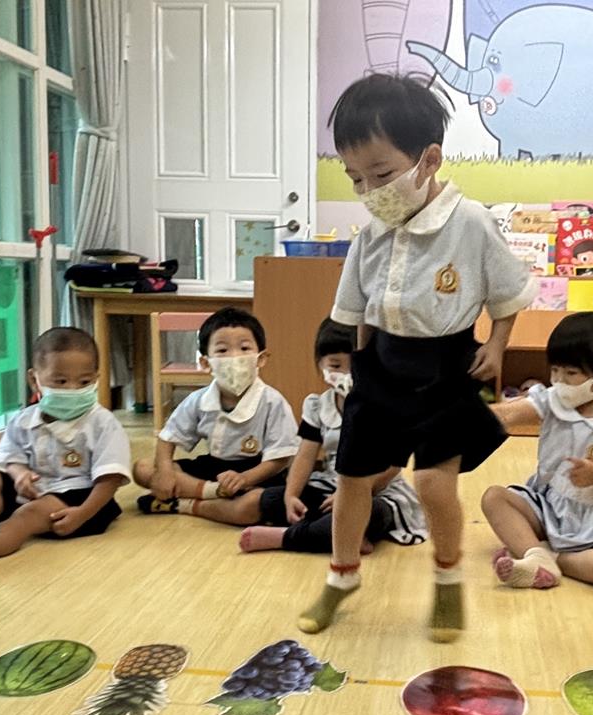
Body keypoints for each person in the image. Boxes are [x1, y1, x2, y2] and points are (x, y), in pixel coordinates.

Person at [297, 74, 536, 641]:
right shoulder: (370, 234)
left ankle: (448, 581)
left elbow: (508, 293)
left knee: (433, 482)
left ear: (429, 159)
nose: (368, 190)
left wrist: (497, 345)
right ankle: (341, 576)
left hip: (445, 369)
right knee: (351, 478)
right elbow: (357, 311)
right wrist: (360, 367)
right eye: (355, 178)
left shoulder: (470, 221)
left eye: (380, 174)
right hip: (381, 365)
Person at [482, 312, 593, 589]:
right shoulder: (553, 400)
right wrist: (461, 413)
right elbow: (508, 414)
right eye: (555, 370)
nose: (559, 381)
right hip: (551, 508)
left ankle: (548, 557)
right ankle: (537, 555)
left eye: (571, 373)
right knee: (494, 498)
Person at [0, 328, 130, 565]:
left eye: (84, 382)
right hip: (35, 491)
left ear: (96, 378)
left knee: (26, 516)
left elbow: (110, 479)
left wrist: (82, 514)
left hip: (82, 500)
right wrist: (20, 474)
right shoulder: (24, 420)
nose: (73, 389)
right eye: (61, 381)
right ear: (34, 380)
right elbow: (12, 457)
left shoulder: (103, 423)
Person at [239, 318, 427, 554]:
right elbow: (305, 456)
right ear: (320, 365)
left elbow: (392, 466)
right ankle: (338, 534)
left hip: (377, 491)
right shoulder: (319, 406)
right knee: (270, 499)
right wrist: (291, 494)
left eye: (355, 365)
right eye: (336, 366)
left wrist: (352, 494)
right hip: (330, 486)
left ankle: (287, 537)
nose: (347, 374)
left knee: (370, 513)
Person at [133, 307, 298, 524]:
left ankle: (185, 504)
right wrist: (164, 473)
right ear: (205, 363)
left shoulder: (272, 402)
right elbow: (167, 438)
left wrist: (244, 479)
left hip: (257, 474)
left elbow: (280, 459)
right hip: (213, 469)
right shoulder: (198, 400)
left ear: (261, 358)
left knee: (255, 503)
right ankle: (214, 494)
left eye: (244, 348)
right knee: (143, 469)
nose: (234, 357)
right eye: (222, 350)